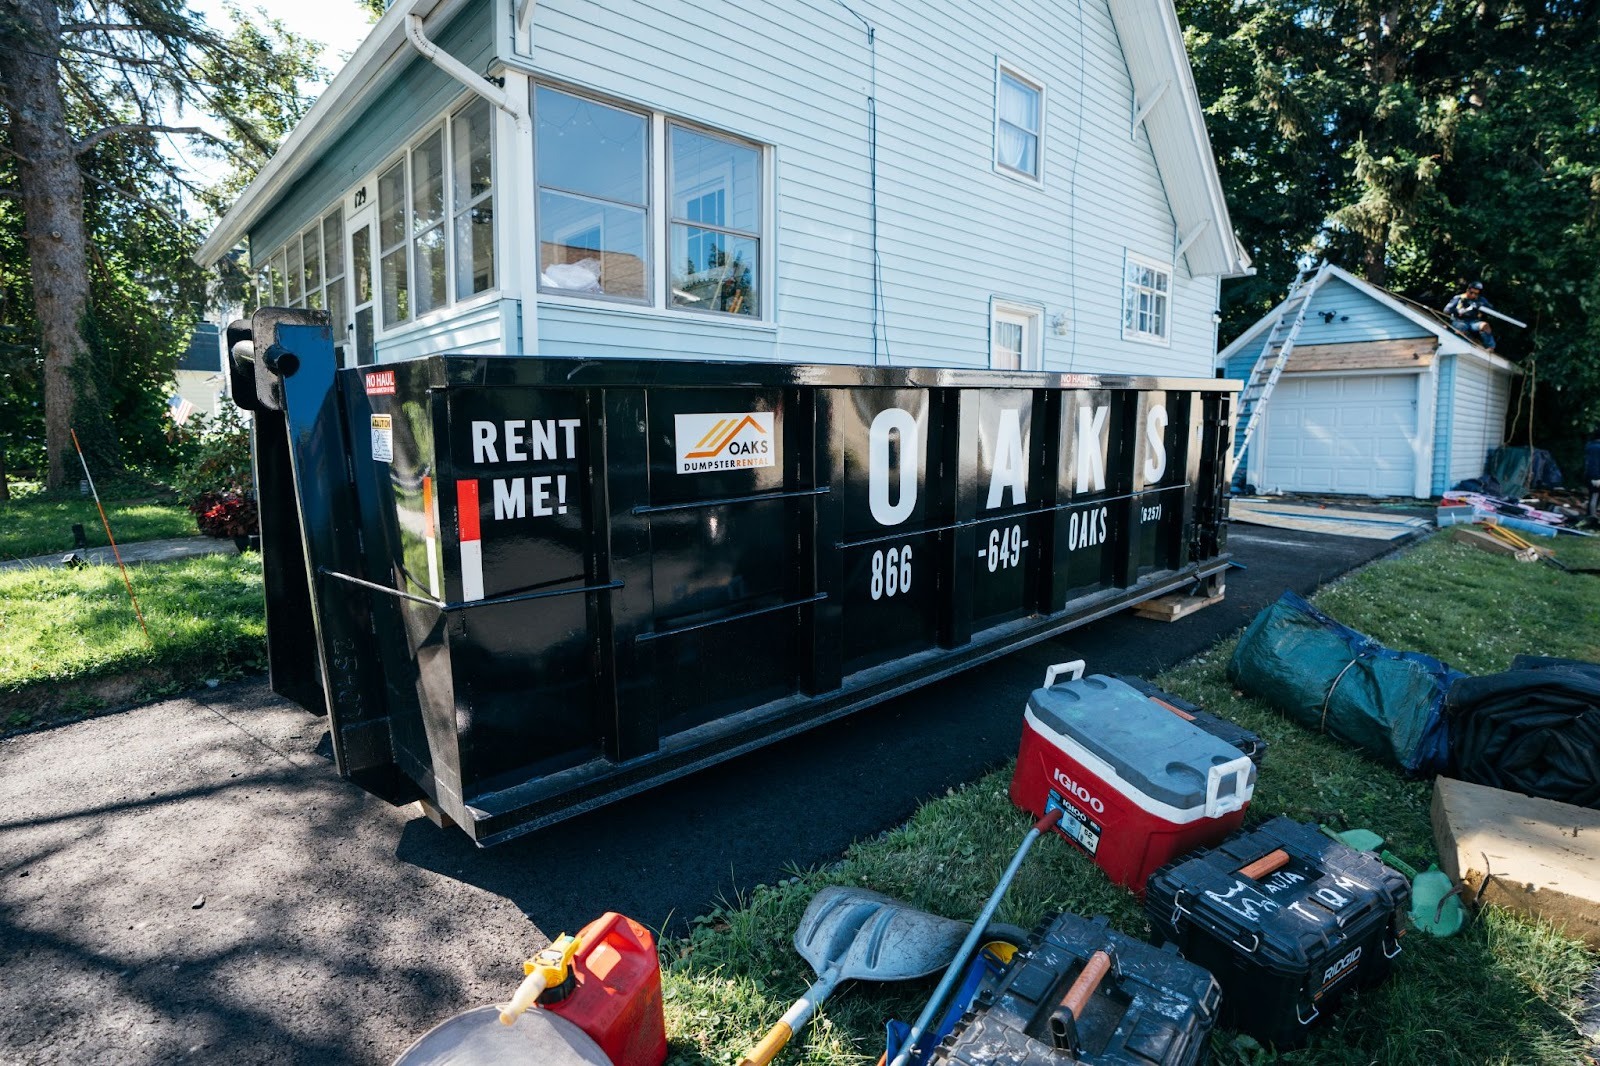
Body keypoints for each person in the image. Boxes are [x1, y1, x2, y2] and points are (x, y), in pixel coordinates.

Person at [1443, 280, 1497, 349]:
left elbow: (1491, 310)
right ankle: (1468, 341)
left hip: (1473, 322)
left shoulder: (1481, 300)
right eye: (1471, 293)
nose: (1473, 295)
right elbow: (1446, 310)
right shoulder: (1459, 298)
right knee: (1461, 327)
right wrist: (1457, 311)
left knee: (1485, 326)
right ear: (1467, 290)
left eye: (1476, 294)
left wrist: (1482, 305)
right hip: (1459, 321)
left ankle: (1490, 348)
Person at [1586, 427, 1600, 523]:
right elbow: (1593, 464)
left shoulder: (1591, 445)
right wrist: (1596, 477)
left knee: (1594, 496)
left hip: (1593, 475)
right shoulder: (1596, 448)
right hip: (1596, 476)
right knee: (1595, 496)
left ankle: (1592, 516)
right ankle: (1592, 518)